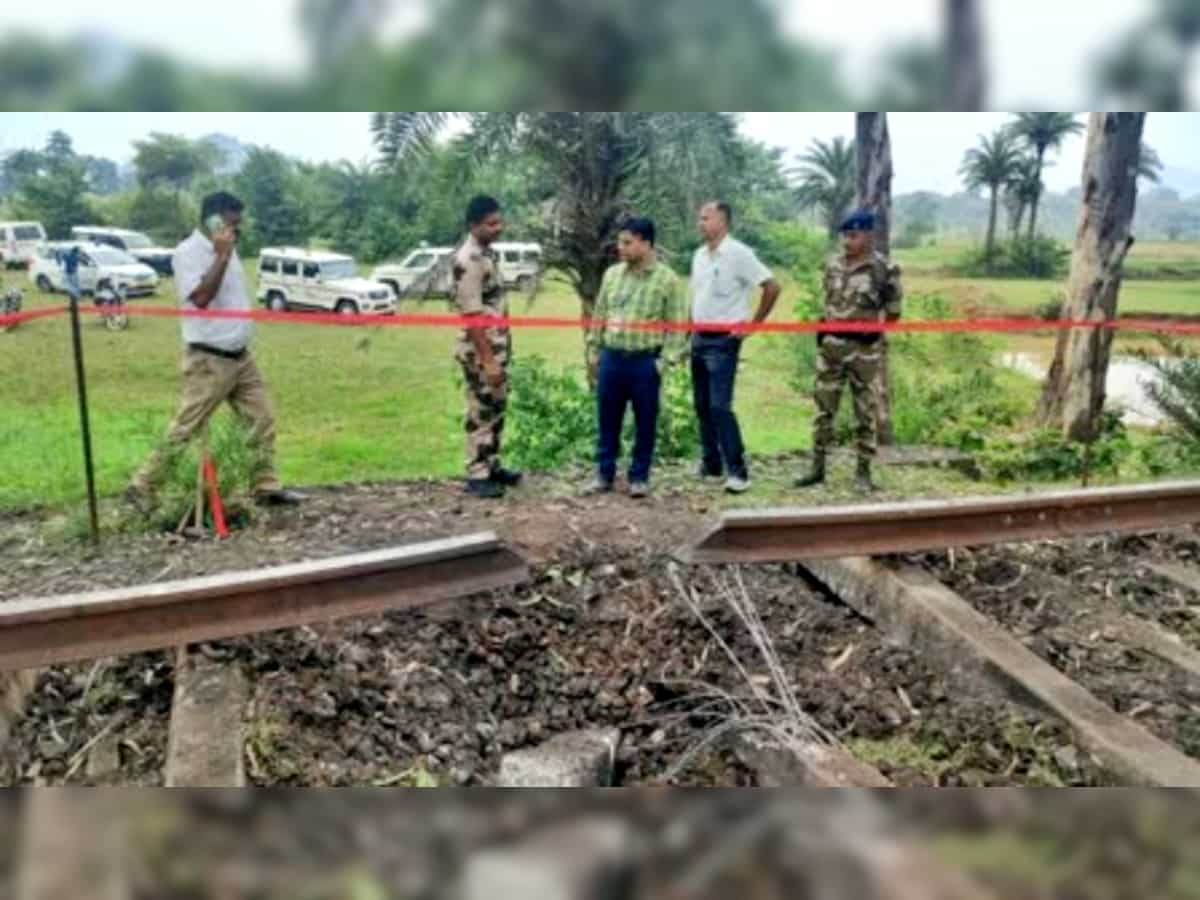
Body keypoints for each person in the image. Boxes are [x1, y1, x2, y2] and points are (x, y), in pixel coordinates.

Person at [126, 192, 304, 511]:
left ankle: (265, 487)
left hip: (241, 357)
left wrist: (226, 251)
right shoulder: (188, 253)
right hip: (209, 359)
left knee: (261, 419)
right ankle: (143, 485)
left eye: (238, 225)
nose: (236, 231)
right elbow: (202, 298)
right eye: (231, 224)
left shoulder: (229, 248)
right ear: (213, 220)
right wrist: (220, 256)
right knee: (187, 425)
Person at [796, 209, 903, 493]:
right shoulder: (833, 265)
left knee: (864, 411)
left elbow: (893, 312)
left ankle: (863, 473)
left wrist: (874, 333)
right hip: (831, 348)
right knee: (823, 410)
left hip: (863, 352)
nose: (847, 241)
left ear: (868, 235)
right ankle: (817, 468)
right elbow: (828, 302)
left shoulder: (883, 269)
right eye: (845, 235)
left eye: (853, 235)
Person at [586, 217, 688, 499]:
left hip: (645, 363)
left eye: (627, 242)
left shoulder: (667, 280)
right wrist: (594, 349)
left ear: (646, 243)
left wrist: (663, 362)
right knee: (607, 419)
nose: (621, 248)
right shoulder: (612, 275)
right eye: (620, 242)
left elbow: (678, 326)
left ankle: (639, 476)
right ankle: (604, 474)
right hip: (612, 358)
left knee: (645, 421)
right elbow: (599, 314)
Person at [689, 201, 781, 494]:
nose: (700, 223)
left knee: (719, 406)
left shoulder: (739, 254)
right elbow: (697, 297)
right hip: (699, 338)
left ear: (723, 221)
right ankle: (711, 462)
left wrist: (752, 325)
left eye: (706, 218)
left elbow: (771, 286)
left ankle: (738, 471)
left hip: (724, 340)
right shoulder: (699, 256)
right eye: (699, 219)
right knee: (702, 405)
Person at [452, 194, 521, 499]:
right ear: (473, 225)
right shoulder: (469, 260)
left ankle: (491, 463)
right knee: (481, 408)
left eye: (499, 221)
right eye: (491, 224)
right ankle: (476, 472)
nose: (499, 228)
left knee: (496, 406)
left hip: (496, 346)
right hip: (481, 350)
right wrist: (489, 361)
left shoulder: (487, 255)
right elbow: (472, 316)